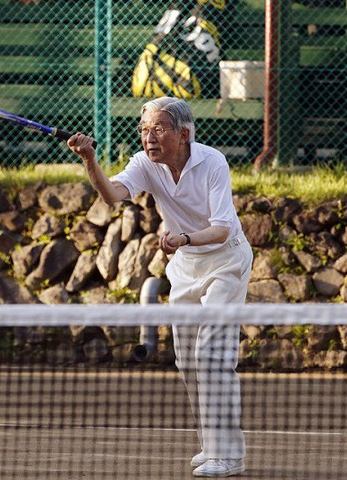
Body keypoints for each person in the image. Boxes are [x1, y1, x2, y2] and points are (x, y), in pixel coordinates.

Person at [67, 97, 252, 478]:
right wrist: (90, 160)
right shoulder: (144, 163)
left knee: (213, 354)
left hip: (226, 260)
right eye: (145, 130)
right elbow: (112, 194)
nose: (149, 138)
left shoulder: (213, 161)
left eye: (159, 129)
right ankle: (210, 445)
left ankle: (229, 455)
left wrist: (183, 238)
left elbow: (221, 228)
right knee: (186, 360)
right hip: (185, 265)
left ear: (183, 134)